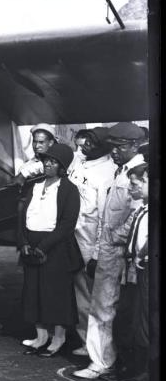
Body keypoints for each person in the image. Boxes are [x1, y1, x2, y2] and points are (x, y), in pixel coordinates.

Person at [73, 122, 146, 379]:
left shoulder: (134, 174)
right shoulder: (122, 170)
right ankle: (109, 358)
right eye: (112, 147)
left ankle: (101, 362)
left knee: (103, 308)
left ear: (135, 146)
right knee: (107, 308)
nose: (113, 152)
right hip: (109, 251)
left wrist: (114, 239)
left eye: (120, 147)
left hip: (116, 252)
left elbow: (138, 214)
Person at [17, 143, 82, 358]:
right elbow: (22, 216)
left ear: (62, 167)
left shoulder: (69, 190)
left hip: (55, 247)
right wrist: (23, 241)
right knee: (34, 291)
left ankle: (58, 338)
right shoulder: (34, 186)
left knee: (55, 293)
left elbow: (67, 225)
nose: (47, 165)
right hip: (31, 243)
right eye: (46, 161)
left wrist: (43, 247)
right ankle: (41, 336)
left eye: (53, 162)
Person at [66, 127, 117, 356]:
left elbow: (104, 218)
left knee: (92, 299)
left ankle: (97, 349)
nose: (85, 145)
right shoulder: (80, 160)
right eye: (85, 141)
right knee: (78, 296)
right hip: (70, 237)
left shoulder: (107, 173)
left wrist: (96, 255)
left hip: (88, 243)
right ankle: (84, 340)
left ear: (103, 147)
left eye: (91, 143)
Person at [111, 163, 149, 381]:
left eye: (139, 183)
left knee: (144, 321)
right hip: (134, 272)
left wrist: (142, 255)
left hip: (145, 271)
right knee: (132, 319)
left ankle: (146, 373)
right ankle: (137, 367)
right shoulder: (141, 210)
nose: (135, 188)